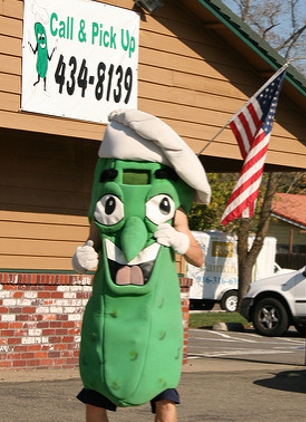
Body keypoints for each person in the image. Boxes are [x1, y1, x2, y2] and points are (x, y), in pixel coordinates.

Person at [72, 109, 211, 422]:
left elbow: (198, 258)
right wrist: (82, 256)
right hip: (108, 317)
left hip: (155, 318)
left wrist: (179, 241)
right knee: (95, 399)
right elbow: (93, 240)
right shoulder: (102, 206)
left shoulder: (174, 210)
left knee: (165, 401)